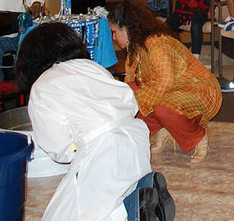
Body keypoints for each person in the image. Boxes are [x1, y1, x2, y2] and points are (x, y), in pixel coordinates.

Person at [16, 22, 159, 221]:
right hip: (136, 140)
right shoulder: (92, 67)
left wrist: (77, 147)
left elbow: (59, 148)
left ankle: (129, 212)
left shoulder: (42, 87)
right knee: (121, 194)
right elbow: (127, 103)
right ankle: (136, 204)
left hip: (102, 153)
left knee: (66, 213)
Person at [109, 1, 222, 163]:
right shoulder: (136, 48)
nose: (113, 38)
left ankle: (199, 136)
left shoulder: (157, 43)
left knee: (162, 109)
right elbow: (136, 82)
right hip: (169, 91)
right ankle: (166, 127)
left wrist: (135, 99)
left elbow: (164, 82)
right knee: (130, 125)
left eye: (114, 32)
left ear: (127, 28)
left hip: (198, 88)